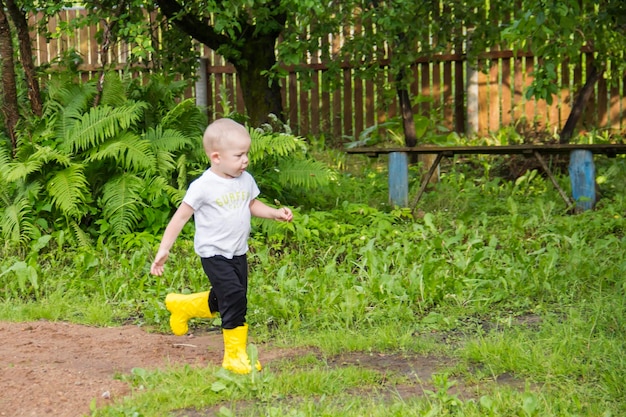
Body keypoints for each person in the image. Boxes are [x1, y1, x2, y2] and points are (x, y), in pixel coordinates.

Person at [150, 118, 293, 374]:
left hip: (238, 252)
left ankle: (182, 307)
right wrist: (164, 248)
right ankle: (234, 356)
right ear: (216, 157)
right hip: (214, 254)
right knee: (235, 298)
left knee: (222, 298)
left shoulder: (245, 179)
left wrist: (274, 213)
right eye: (239, 155)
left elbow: (251, 204)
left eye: (246, 153)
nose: (245, 160)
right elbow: (181, 216)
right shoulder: (203, 186)